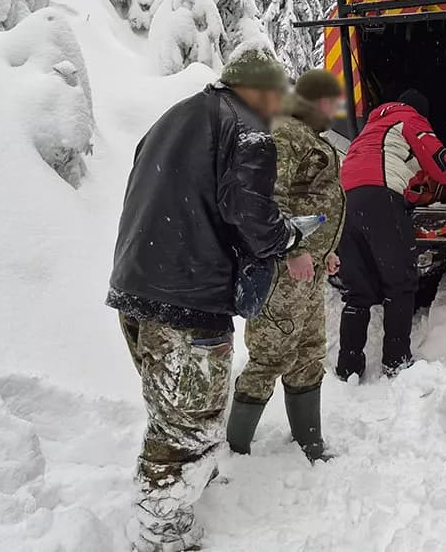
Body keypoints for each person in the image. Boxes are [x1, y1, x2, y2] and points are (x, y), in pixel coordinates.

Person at [106, 50, 300, 552]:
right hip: (188, 302)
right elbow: (250, 214)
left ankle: (189, 489)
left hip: (136, 288)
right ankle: (162, 533)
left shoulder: (173, 118)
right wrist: (287, 237)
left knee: (170, 406)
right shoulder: (247, 128)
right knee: (188, 421)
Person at [227, 70, 347, 463]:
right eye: (331, 104)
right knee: (269, 358)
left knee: (309, 354)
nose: (335, 112)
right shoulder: (287, 134)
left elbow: (312, 200)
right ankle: (235, 450)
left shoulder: (311, 138)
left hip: (309, 273)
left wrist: (325, 251)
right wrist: (292, 251)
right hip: (283, 273)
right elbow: (268, 198)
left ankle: (309, 443)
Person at [334, 89, 446, 379]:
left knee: (358, 291)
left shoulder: (370, 129)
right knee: (400, 283)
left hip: (345, 201)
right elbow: (440, 162)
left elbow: (403, 173)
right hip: (380, 198)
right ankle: (396, 362)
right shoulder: (409, 119)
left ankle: (348, 366)